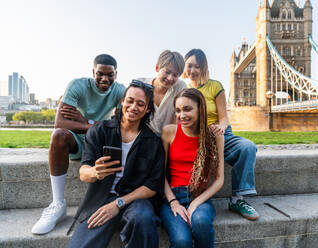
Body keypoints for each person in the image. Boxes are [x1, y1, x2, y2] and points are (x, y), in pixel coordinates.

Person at [32, 54, 126, 234]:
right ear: (93, 72)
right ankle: (58, 203)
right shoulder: (78, 86)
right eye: (100, 73)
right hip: (78, 141)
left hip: (99, 143)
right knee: (58, 136)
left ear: (116, 74)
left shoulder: (120, 90)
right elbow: (59, 123)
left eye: (110, 74)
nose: (105, 79)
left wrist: (86, 122)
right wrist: (92, 125)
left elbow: (124, 123)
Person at [67, 80, 165, 248]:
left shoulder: (153, 142)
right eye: (130, 100)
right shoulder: (100, 131)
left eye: (140, 104)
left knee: (142, 219)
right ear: (122, 101)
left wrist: (119, 203)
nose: (134, 107)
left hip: (136, 201)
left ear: (147, 109)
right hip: (102, 199)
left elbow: (152, 186)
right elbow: (84, 171)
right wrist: (95, 172)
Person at [184, 49, 259, 221]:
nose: (193, 70)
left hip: (220, 134)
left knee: (248, 147)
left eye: (197, 66)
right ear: (184, 66)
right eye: (189, 66)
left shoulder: (215, 86)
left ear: (204, 68)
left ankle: (238, 199)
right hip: (195, 137)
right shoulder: (183, 89)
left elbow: (224, 117)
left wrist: (220, 127)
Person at [160, 88, 224, 248]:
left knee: (201, 222)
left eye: (187, 109)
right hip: (172, 197)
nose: (182, 115)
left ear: (200, 108)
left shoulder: (214, 135)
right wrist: (174, 202)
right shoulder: (169, 132)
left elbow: (219, 179)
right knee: (182, 241)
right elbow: (159, 174)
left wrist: (196, 203)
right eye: (178, 110)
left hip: (200, 196)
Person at [137, 50, 186, 135]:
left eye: (175, 75)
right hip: (141, 134)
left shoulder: (180, 87)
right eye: (167, 72)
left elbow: (179, 116)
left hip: (166, 137)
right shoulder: (141, 84)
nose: (170, 78)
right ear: (157, 68)